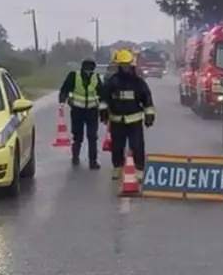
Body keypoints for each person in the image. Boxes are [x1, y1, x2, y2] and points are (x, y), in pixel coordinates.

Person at [99, 49, 155, 181]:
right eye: (123, 65)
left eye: (127, 65)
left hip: (134, 120)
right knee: (117, 147)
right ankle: (117, 167)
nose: (125, 68)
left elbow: (147, 98)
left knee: (137, 146)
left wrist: (149, 115)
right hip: (117, 120)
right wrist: (103, 111)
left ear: (131, 65)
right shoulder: (112, 82)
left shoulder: (138, 82)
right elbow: (104, 98)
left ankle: (139, 169)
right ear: (119, 66)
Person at [58, 57, 102, 169]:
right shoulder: (73, 76)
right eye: (87, 69)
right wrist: (62, 101)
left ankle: (93, 161)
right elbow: (65, 89)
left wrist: (104, 108)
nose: (88, 72)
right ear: (82, 68)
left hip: (92, 111)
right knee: (78, 136)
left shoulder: (96, 78)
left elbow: (102, 93)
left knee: (92, 137)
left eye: (90, 70)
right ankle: (75, 157)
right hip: (77, 111)